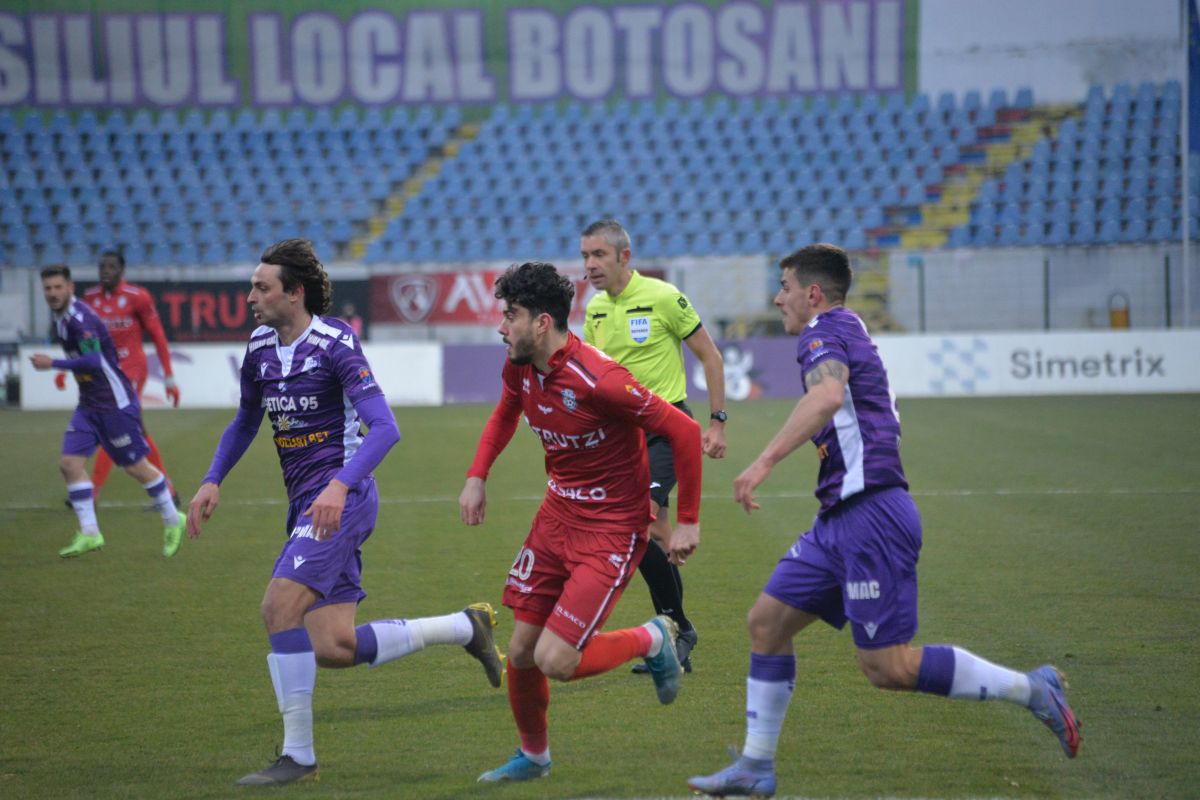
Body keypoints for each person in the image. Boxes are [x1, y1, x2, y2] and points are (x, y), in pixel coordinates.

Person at [687, 245, 1081, 798]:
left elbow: (828, 395)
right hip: (840, 516)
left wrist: (763, 462)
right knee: (767, 624)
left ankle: (1031, 689)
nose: (778, 298)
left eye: (785, 286)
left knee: (887, 667)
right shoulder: (844, 327)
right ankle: (755, 766)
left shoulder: (823, 330)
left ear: (812, 293)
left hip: (871, 515)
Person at [185, 239, 503, 786]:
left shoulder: (335, 345)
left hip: (342, 500)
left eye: (261, 287)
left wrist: (338, 486)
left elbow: (385, 428)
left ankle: (299, 756)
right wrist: (213, 477)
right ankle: (464, 627)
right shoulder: (259, 347)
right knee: (333, 645)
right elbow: (245, 420)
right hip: (307, 502)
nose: (250, 297)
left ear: (294, 292)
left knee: (277, 608)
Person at [459, 261, 703, 783]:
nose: (501, 327)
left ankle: (653, 638)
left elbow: (683, 431)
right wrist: (477, 475)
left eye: (511, 315)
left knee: (556, 660)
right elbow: (506, 411)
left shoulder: (601, 380)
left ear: (542, 322)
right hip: (556, 517)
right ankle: (535, 757)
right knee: (521, 652)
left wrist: (687, 521)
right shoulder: (521, 365)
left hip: (611, 529)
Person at [581, 218, 727, 674]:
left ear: (624, 256)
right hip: (622, 438)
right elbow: (594, 379)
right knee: (654, 535)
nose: (590, 264)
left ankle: (678, 628)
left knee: (639, 522)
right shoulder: (594, 310)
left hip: (666, 429)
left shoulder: (663, 297)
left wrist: (717, 421)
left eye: (599, 254)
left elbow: (710, 355)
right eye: (585, 256)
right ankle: (675, 635)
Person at [30, 265, 187, 559]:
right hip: (89, 405)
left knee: (136, 467)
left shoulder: (81, 320)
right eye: (47, 288)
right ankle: (90, 532)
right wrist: (64, 371)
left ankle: (172, 518)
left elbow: (92, 361)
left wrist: (54, 365)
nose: (52, 293)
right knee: (69, 464)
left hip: (114, 404)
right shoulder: (62, 318)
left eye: (57, 287)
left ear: (70, 288)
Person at [59, 250, 181, 505]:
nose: (106, 271)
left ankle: (93, 492)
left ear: (122, 270)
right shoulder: (89, 298)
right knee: (137, 431)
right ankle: (168, 490)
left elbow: (158, 335)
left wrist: (169, 376)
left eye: (111, 267)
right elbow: (78, 338)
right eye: (102, 266)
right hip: (104, 373)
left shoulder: (138, 297)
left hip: (132, 370)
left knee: (112, 423)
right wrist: (64, 369)